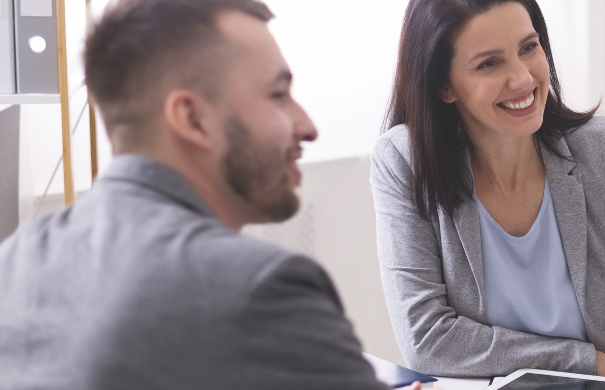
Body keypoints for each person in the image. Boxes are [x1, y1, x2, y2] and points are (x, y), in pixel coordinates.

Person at [0, 0, 391, 388]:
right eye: (277, 95)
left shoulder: (16, 259)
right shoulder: (258, 287)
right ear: (192, 119)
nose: (308, 126)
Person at [370, 0, 605, 379]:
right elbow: (426, 338)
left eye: (529, 47)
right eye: (489, 64)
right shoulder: (405, 162)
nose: (524, 79)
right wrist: (580, 362)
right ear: (443, 86)